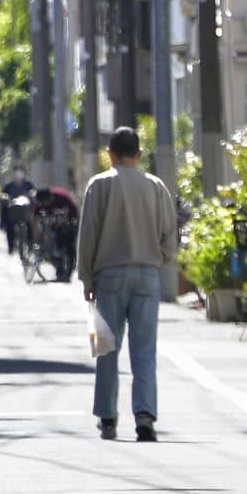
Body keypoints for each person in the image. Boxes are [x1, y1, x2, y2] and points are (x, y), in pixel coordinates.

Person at [77, 126, 177, 442]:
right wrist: (161, 258)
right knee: (144, 350)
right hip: (147, 274)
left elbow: (88, 235)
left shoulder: (99, 185)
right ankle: (145, 415)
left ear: (110, 154)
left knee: (106, 346)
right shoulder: (156, 186)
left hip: (109, 276)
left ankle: (108, 417)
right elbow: (169, 234)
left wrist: (87, 277)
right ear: (138, 155)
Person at [34, 185, 80, 282]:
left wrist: (70, 223)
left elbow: (74, 213)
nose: (44, 205)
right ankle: (59, 271)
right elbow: (35, 216)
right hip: (55, 223)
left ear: (50, 197)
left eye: (45, 202)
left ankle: (68, 273)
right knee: (54, 247)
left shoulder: (62, 198)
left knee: (69, 247)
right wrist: (38, 232)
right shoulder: (42, 202)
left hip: (68, 221)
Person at [0, 165, 34, 253]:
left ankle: (31, 244)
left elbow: (33, 192)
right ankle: (10, 245)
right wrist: (5, 198)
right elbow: (3, 194)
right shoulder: (9, 186)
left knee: (30, 223)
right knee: (9, 223)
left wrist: (31, 195)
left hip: (25, 210)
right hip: (13, 210)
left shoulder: (28, 184)